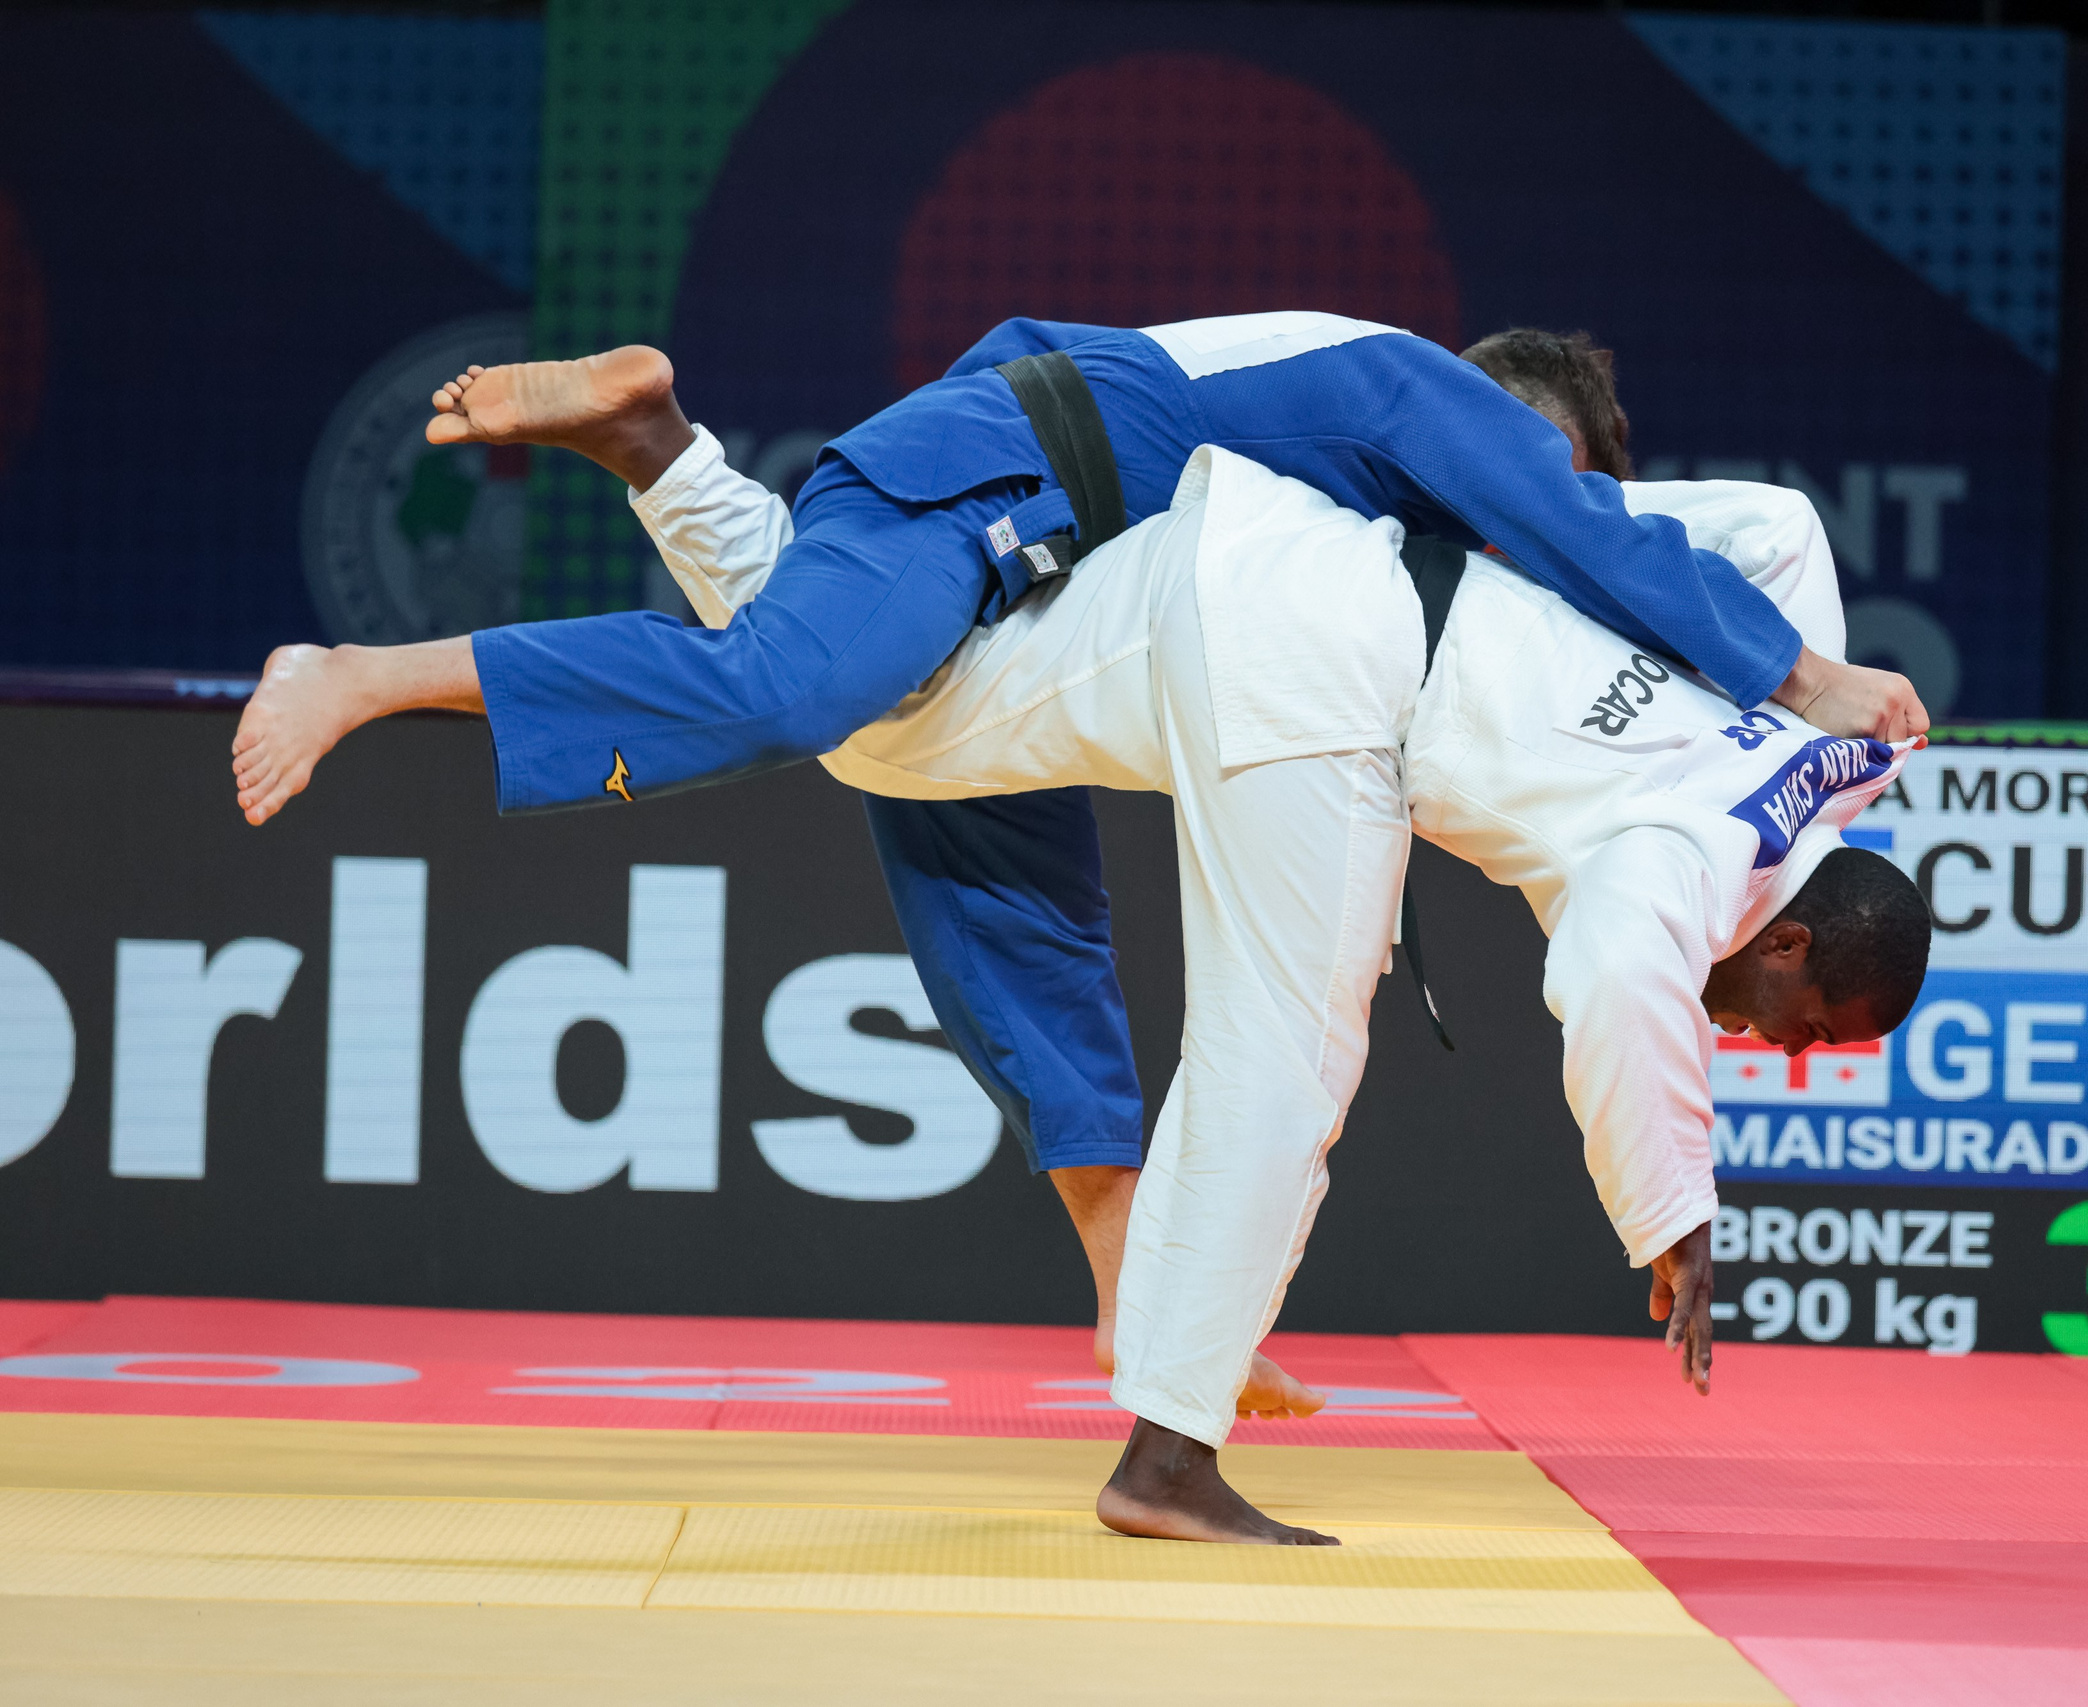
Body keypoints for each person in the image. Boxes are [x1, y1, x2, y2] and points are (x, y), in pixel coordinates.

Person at [234, 320, 1929, 1422]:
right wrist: (1803, 680)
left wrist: (1793, 739)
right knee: (816, 698)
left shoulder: (1472, 537)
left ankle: (657, 445)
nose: (1532, 527)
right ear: (1507, 435)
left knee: (987, 843)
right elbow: (1607, 542)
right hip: (1010, 473)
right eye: (1527, 488)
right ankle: (369, 670)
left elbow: (1689, 540)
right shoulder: (1435, 407)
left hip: (1062, 565)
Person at [523, 414, 1931, 1544]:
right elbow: (1620, 976)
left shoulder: (1842, 733)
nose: (1779, 1049)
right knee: (1280, 1064)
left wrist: (1557, 535)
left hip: (1257, 556)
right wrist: (1676, 1216)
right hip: (1337, 699)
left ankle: (673, 464)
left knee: (890, 725)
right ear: (1796, 940)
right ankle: (1167, 1459)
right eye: (1808, 1033)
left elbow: (1775, 528)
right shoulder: (1703, 863)